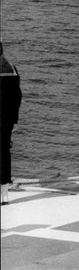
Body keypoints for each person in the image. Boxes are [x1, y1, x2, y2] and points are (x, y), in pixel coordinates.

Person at [0, 42, 22, 205]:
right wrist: (14, 120)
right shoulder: (11, 68)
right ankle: (4, 194)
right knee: (4, 152)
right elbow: (17, 97)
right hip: (6, 119)